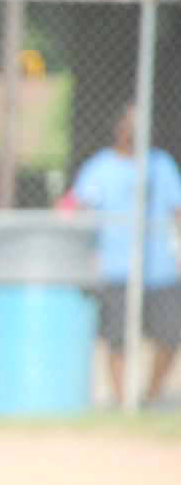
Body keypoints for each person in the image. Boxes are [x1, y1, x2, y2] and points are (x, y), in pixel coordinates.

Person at [71, 102, 181, 408]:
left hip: (159, 268)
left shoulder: (161, 164)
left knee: (171, 334)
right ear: (119, 130)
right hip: (116, 268)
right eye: (131, 125)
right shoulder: (102, 166)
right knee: (118, 339)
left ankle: (149, 397)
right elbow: (78, 205)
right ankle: (122, 404)